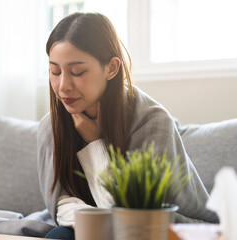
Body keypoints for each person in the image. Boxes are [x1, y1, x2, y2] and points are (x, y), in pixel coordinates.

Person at [37, 12, 218, 240]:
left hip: (158, 229)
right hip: (90, 228)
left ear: (111, 68)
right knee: (59, 236)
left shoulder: (153, 124)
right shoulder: (50, 126)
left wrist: (95, 144)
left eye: (77, 72)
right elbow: (61, 204)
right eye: (55, 71)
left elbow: (134, 221)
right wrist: (97, 221)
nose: (62, 86)